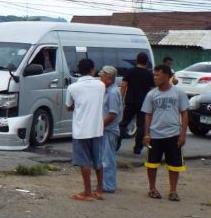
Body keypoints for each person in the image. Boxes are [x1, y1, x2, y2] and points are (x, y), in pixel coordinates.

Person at [142, 64, 189, 201]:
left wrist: (183, 134)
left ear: (167, 76)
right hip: (155, 135)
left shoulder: (178, 93)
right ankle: (152, 188)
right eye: (154, 75)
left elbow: (184, 114)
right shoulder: (151, 94)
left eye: (158, 75)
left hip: (173, 134)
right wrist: (146, 134)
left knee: (174, 165)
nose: (155, 78)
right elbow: (148, 115)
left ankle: (173, 191)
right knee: (152, 164)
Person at [66, 58, 106, 202]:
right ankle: (100, 190)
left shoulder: (72, 87)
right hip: (97, 128)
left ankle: (87, 191)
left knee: (84, 162)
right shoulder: (101, 85)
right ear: (92, 70)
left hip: (81, 129)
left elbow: (68, 106)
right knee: (98, 160)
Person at [120, 52, 154, 154]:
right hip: (144, 103)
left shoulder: (130, 71)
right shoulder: (149, 74)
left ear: (136, 60)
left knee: (124, 123)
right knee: (141, 125)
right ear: (147, 62)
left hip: (130, 101)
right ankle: (137, 148)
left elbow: (123, 86)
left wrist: (121, 100)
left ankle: (116, 143)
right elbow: (152, 90)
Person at [99, 65, 122, 193]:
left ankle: (108, 185)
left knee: (107, 159)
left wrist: (100, 126)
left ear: (109, 77)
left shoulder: (113, 92)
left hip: (109, 130)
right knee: (105, 157)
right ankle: (105, 183)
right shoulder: (108, 90)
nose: (100, 78)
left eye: (102, 76)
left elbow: (113, 114)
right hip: (106, 129)